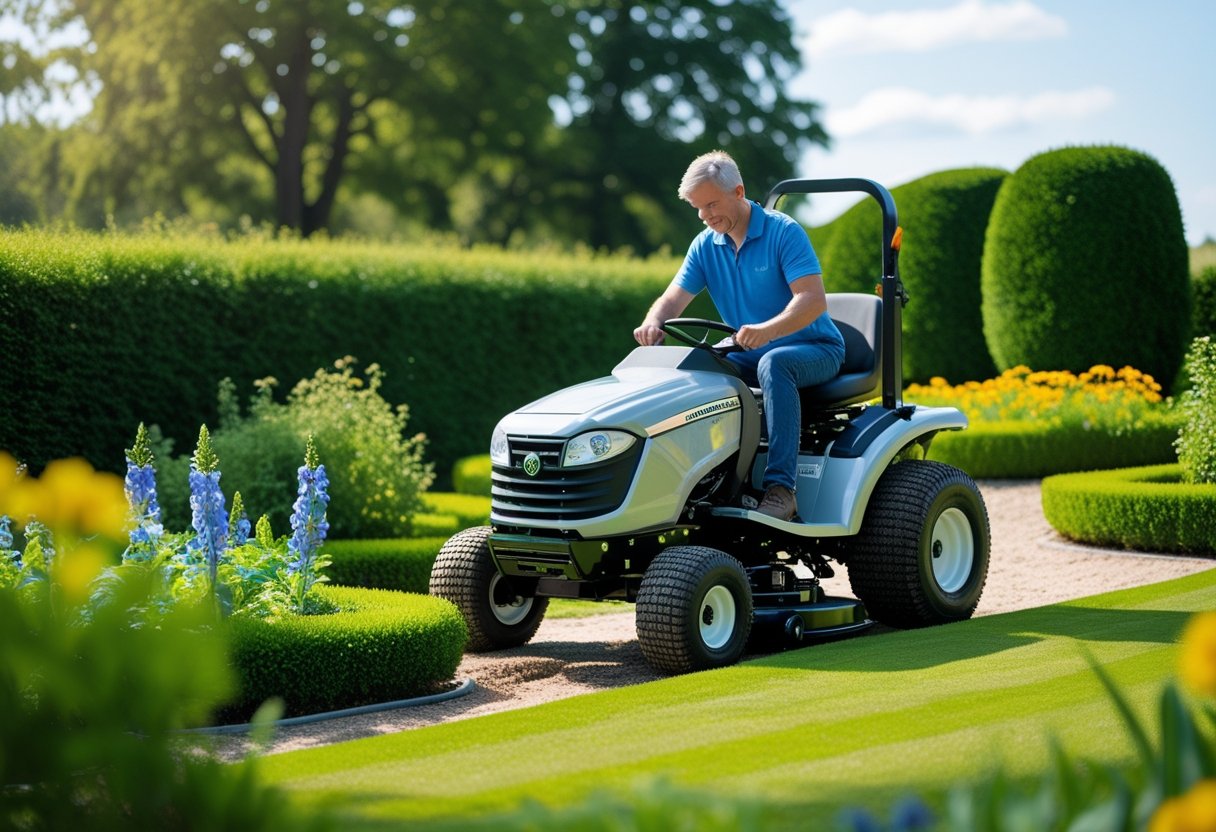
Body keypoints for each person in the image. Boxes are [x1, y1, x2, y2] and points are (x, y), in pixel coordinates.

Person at [633, 150, 845, 521]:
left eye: (712, 204)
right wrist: (654, 321)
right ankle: (704, 480)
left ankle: (782, 490)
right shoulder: (705, 245)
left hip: (814, 348)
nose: (706, 216)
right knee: (696, 363)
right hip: (750, 349)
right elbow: (672, 299)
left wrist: (766, 330)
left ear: (738, 191)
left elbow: (812, 302)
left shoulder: (784, 232)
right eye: (698, 209)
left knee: (774, 362)